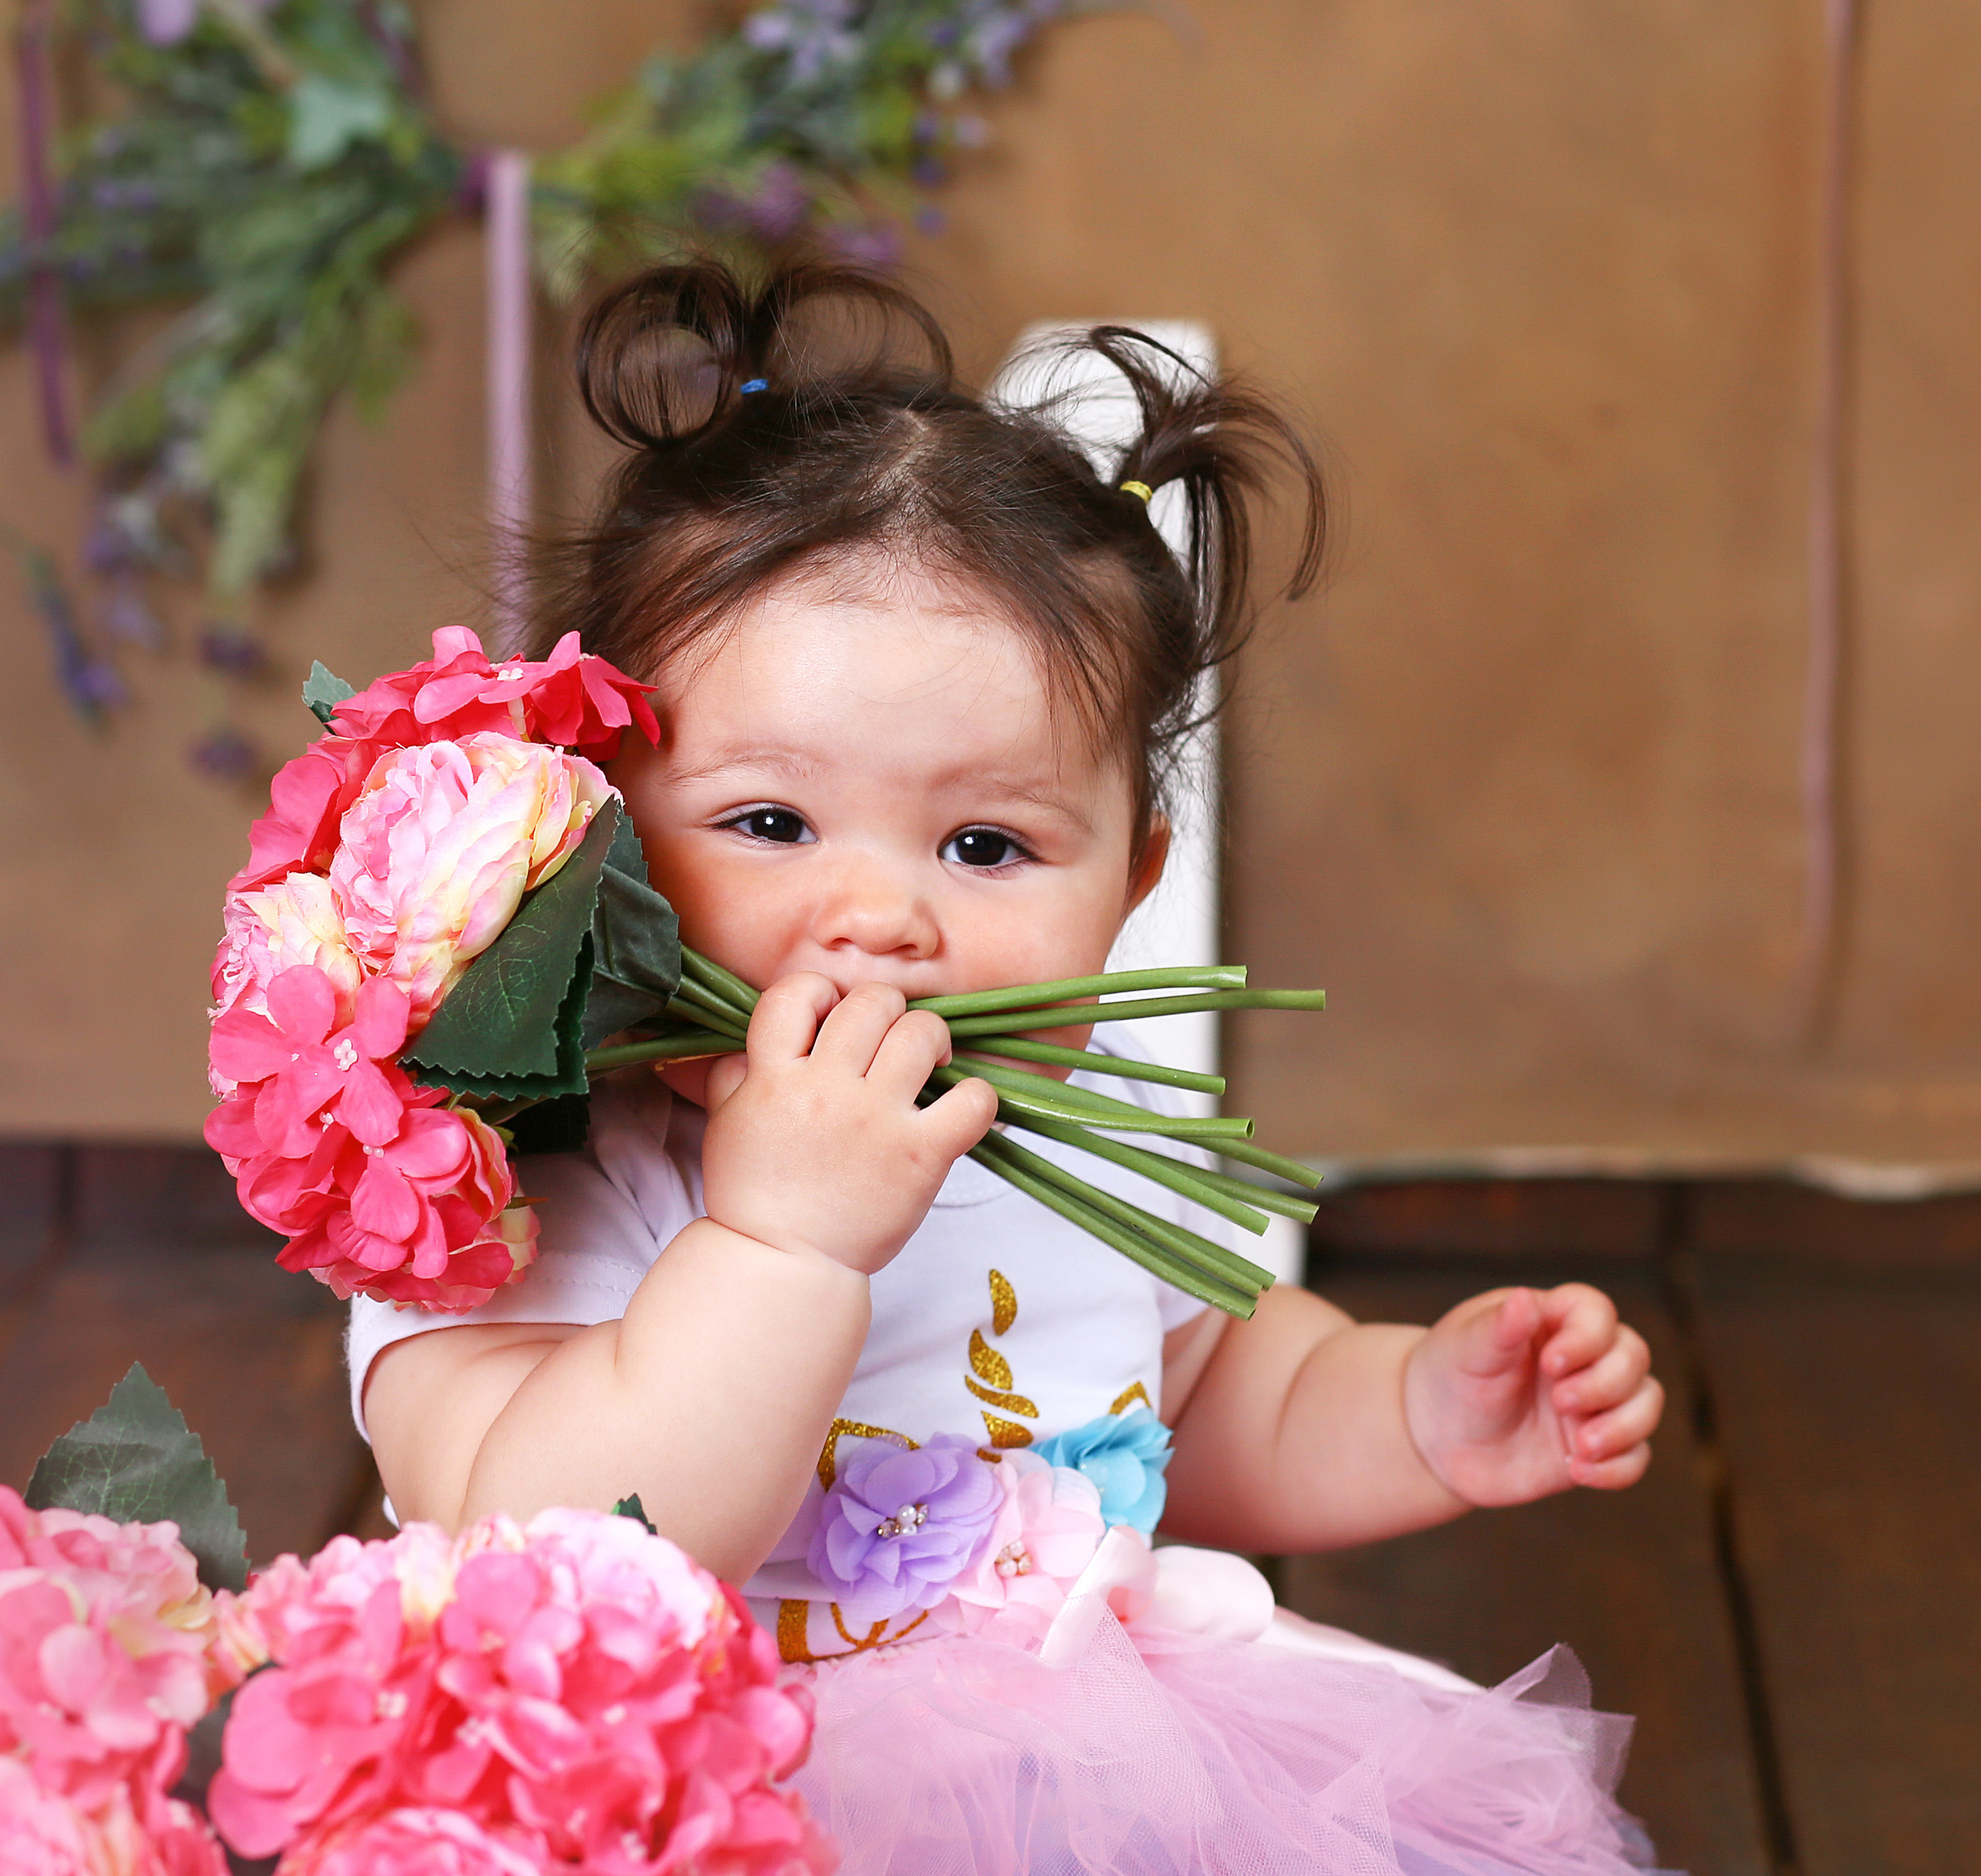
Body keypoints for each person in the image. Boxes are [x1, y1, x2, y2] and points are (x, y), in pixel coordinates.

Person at [352, 258, 1668, 1875]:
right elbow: (551, 1549)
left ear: (1130, 881)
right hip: (702, 1799)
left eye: (985, 844)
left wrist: (1413, 1412)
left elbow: (1203, 1395)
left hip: (1096, 1780)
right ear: (596, 824)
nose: (880, 917)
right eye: (770, 821)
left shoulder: (1080, 1138)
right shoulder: (520, 1176)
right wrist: (781, 1242)